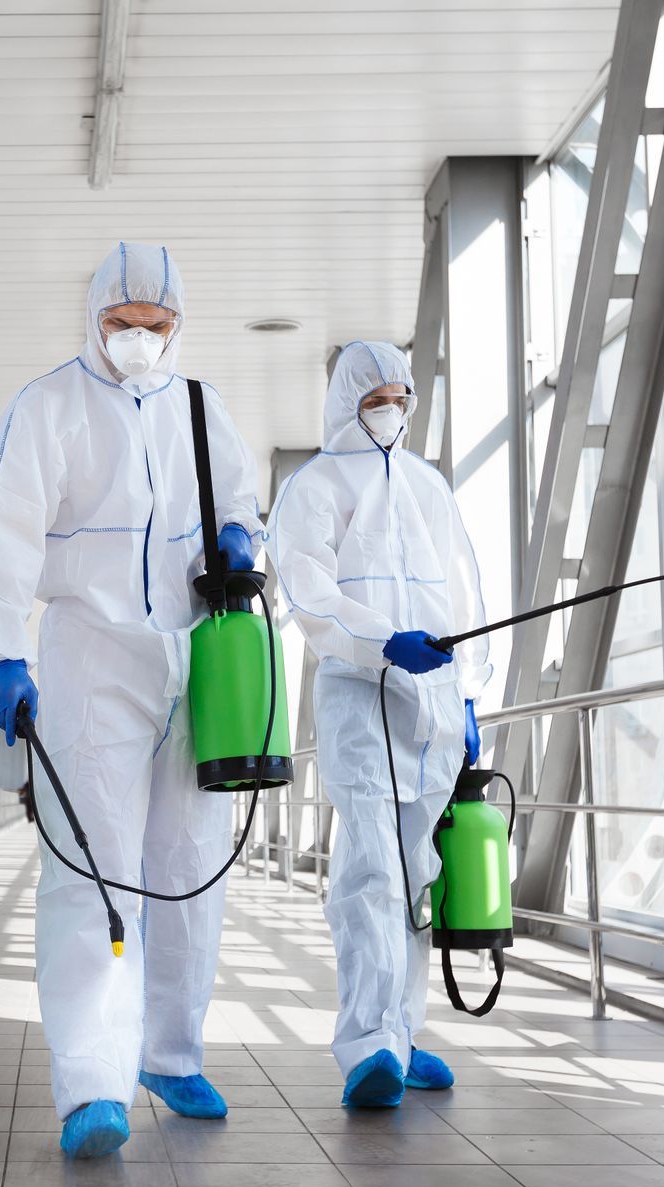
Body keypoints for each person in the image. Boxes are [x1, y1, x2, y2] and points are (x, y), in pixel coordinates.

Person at [0, 242, 262, 1157]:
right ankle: (95, 1081)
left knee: (187, 864)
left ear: (178, 325)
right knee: (94, 871)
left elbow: (247, 507)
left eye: (156, 326)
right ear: (94, 318)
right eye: (121, 324)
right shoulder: (49, 406)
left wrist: (242, 541)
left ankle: (171, 1052)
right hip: (89, 657)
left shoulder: (200, 407)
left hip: (195, 655)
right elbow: (8, 542)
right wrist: (5, 652)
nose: (139, 340)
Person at [265, 340, 489, 1109]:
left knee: (419, 873)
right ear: (347, 402)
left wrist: (469, 692)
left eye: (400, 397)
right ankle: (367, 1045)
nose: (390, 410)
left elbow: (465, 596)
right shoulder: (316, 485)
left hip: (433, 707)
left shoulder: (429, 486)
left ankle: (403, 1029)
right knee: (370, 869)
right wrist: (378, 638)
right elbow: (307, 588)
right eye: (375, 398)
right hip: (363, 698)